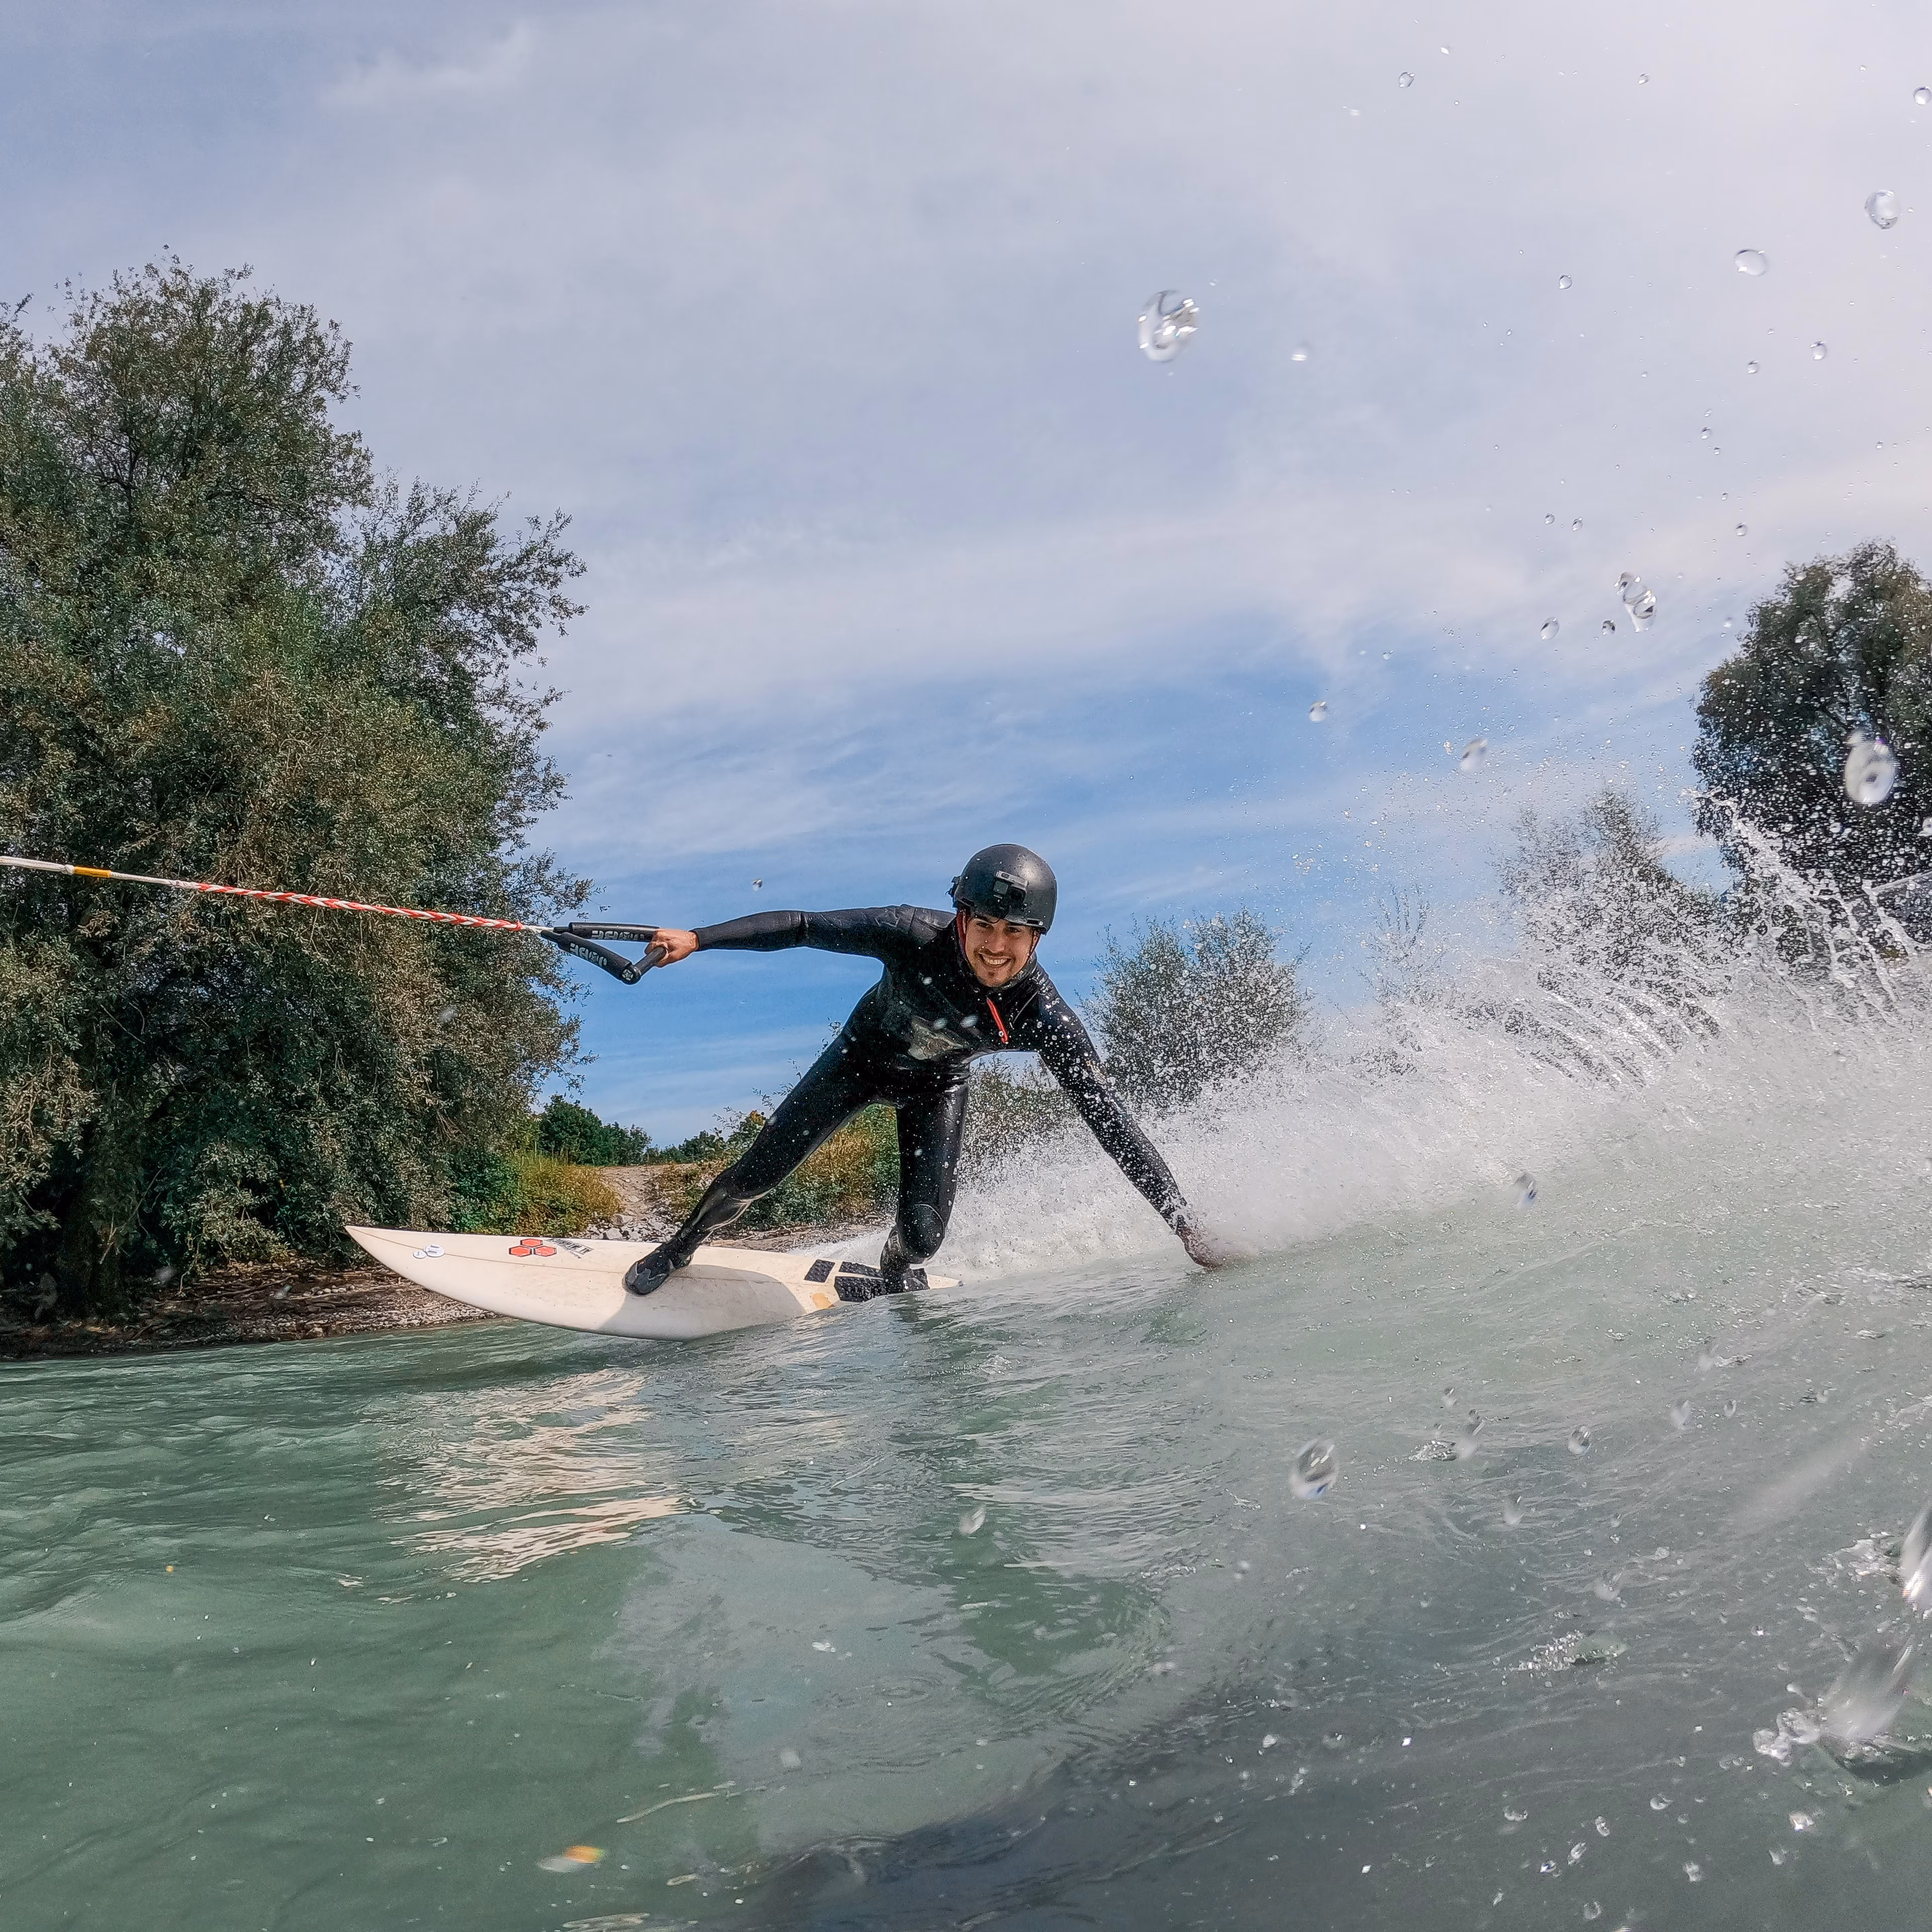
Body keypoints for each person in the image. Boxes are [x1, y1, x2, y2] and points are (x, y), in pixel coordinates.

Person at [623, 844, 1241, 1298]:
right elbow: (804, 927)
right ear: (963, 919)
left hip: (937, 1086)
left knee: (922, 1238)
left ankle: (894, 1272)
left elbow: (1110, 1122)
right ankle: (680, 1247)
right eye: (985, 927)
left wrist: (1182, 1221)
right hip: (859, 1060)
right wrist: (699, 939)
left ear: (1039, 938)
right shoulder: (911, 934)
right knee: (756, 1175)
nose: (995, 947)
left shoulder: (1042, 1016)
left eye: (1015, 933)